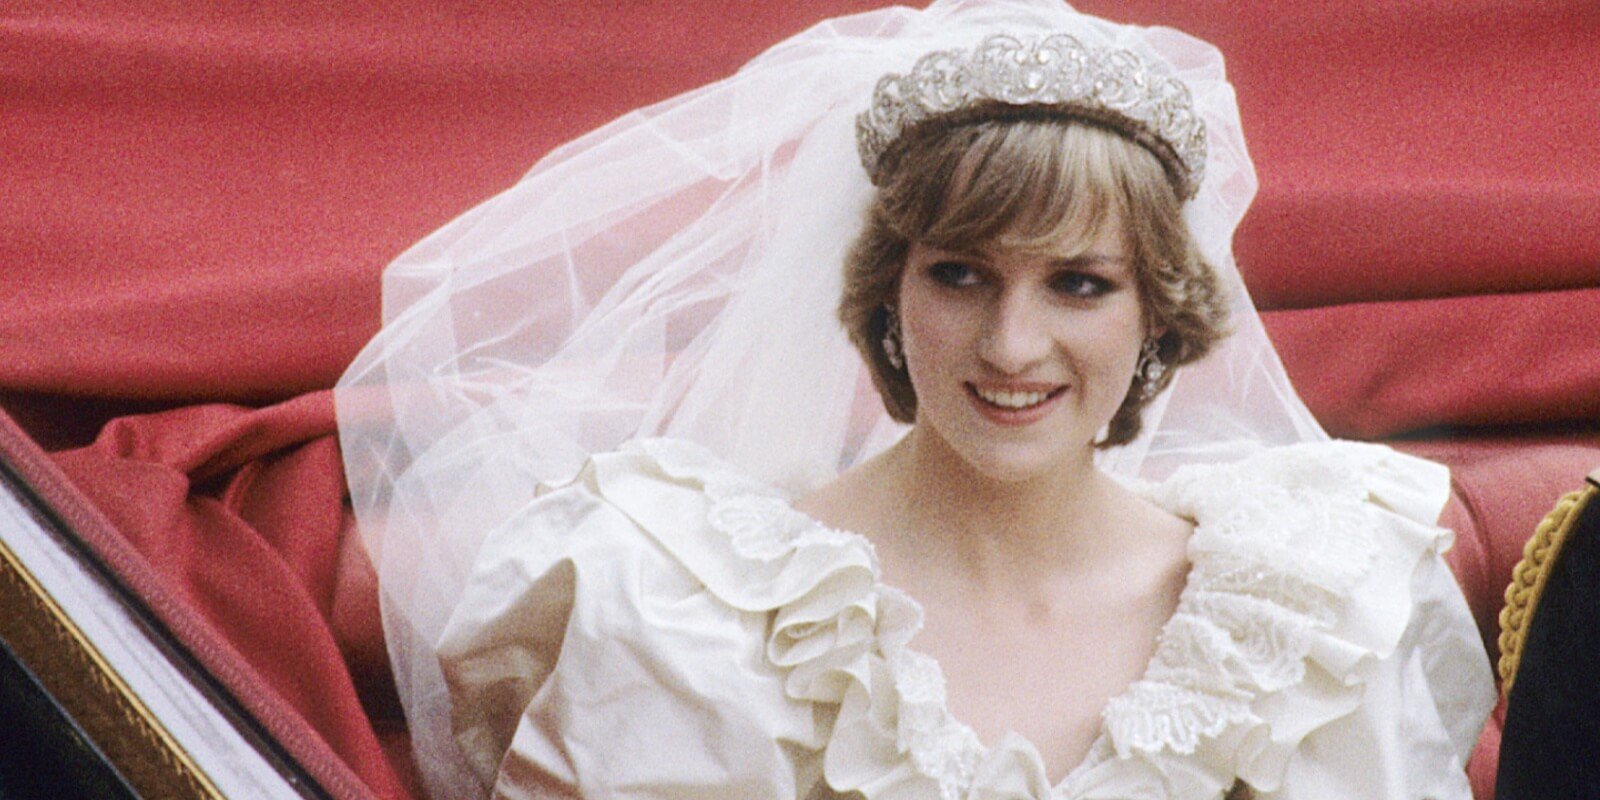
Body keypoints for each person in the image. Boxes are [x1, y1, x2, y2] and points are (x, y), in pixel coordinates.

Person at [335, 1, 1496, 797]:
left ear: (1158, 311)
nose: (1011, 342)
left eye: (1079, 283)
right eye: (961, 273)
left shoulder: (1314, 603)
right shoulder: (680, 608)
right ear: (888, 290)